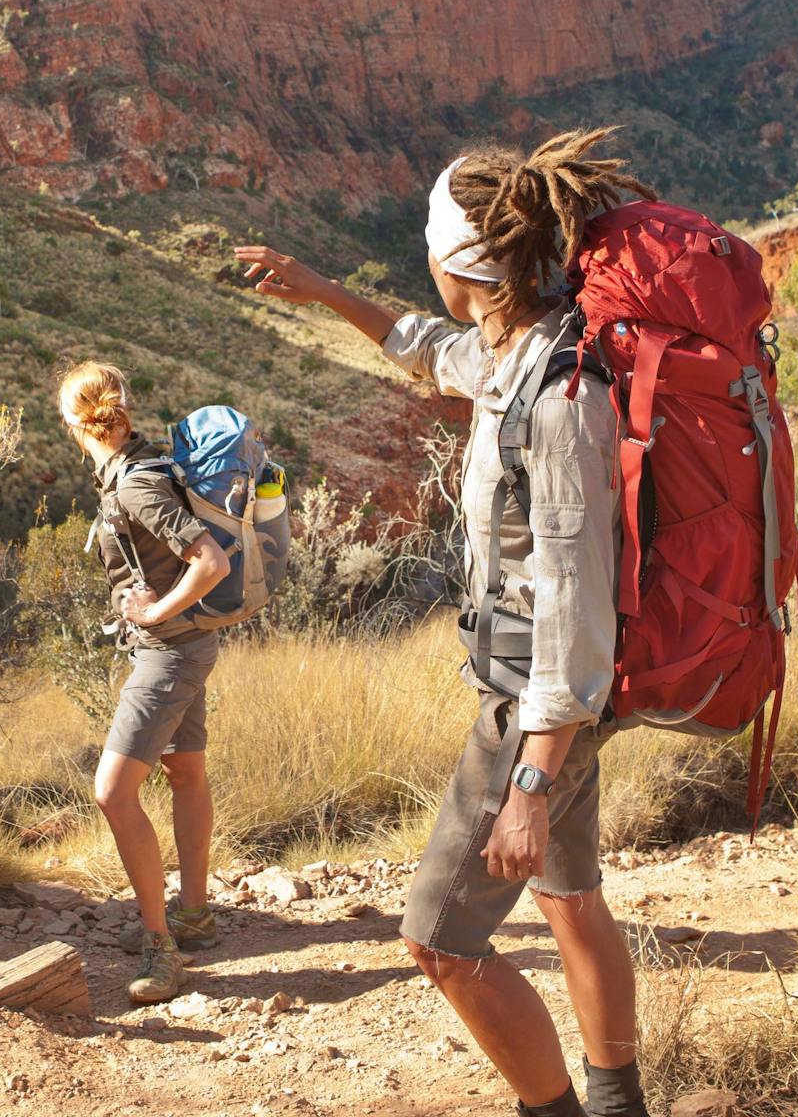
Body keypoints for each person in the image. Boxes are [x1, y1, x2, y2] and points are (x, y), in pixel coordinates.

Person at [234, 128, 655, 1117]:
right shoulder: (519, 344)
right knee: (566, 898)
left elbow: (574, 601)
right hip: (550, 704)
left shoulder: (555, 399)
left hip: (531, 709)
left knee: (437, 941)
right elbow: (435, 355)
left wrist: (530, 781)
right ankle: (614, 1103)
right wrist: (321, 288)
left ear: (452, 260)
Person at [59, 362, 233, 1007]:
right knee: (185, 772)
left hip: (168, 653)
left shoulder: (136, 487)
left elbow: (208, 561)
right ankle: (193, 913)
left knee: (112, 793)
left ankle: (160, 945)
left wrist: (158, 612)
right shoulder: (145, 465)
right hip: (190, 645)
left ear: (78, 424)